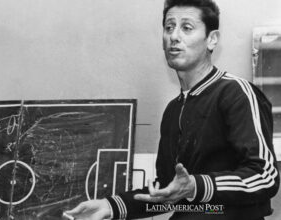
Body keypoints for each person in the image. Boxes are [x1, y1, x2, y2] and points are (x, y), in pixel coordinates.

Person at [65, 0, 280, 219]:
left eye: (187, 28)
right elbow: (167, 190)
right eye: (169, 28)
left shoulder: (237, 93)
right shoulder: (173, 110)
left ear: (212, 40)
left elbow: (265, 175)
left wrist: (196, 186)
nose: (174, 36)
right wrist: (111, 206)